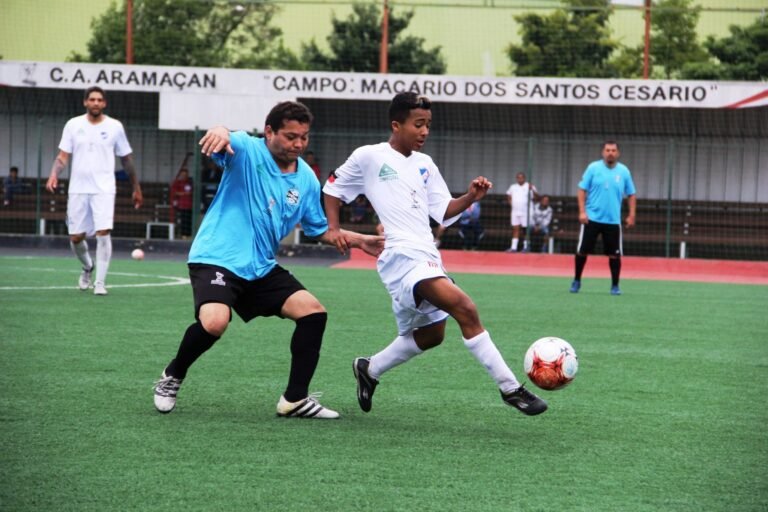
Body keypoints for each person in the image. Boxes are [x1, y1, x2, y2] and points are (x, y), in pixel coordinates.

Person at [152, 101, 384, 419]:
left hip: (259, 266)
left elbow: (319, 229)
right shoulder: (248, 150)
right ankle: (173, 375)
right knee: (216, 322)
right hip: (217, 257)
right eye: (291, 137)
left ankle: (294, 400)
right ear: (269, 132)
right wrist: (219, 130)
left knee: (313, 313)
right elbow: (226, 137)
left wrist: (360, 241)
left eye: (303, 137)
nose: (299, 144)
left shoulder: (306, 178)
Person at [323, 92, 547, 417]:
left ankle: (369, 369)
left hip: (427, 254)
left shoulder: (425, 164)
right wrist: (334, 228)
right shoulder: (369, 156)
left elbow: (442, 211)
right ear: (396, 125)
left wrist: (470, 197)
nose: (425, 131)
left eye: (428, 125)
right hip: (400, 255)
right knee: (465, 308)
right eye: (418, 124)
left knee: (432, 335)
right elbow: (332, 188)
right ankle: (511, 388)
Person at [46, 86, 143, 296]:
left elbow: (126, 159)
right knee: (76, 238)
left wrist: (136, 187)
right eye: (92, 99)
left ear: (104, 103)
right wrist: (54, 174)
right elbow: (62, 156)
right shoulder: (73, 125)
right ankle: (88, 267)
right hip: (78, 190)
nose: (96, 103)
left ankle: (100, 282)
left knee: (103, 232)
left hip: (104, 189)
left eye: (100, 100)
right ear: (85, 102)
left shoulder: (115, 126)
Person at [570, 140, 636, 295]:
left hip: (613, 221)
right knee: (582, 251)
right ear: (603, 152)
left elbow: (631, 194)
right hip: (591, 218)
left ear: (618, 153)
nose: (610, 153)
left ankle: (615, 285)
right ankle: (577, 280)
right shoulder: (593, 168)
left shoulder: (624, 171)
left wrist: (632, 214)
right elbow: (581, 190)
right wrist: (582, 211)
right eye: (607, 150)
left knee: (614, 254)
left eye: (613, 150)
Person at [505, 172, 537, 253]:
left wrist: (532, 189)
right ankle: (513, 247)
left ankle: (526, 247)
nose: (520, 179)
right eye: (518, 177)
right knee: (515, 229)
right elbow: (508, 196)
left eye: (521, 177)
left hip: (525, 211)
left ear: (524, 178)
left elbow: (536, 197)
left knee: (525, 230)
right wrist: (511, 203)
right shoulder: (513, 187)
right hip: (515, 211)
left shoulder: (529, 186)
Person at [170, 154, 194, 237]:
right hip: (181, 205)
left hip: (189, 206)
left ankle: (189, 235)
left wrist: (184, 193)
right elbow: (175, 192)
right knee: (183, 221)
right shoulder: (178, 183)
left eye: (185, 174)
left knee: (189, 220)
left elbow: (192, 192)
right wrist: (183, 193)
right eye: (182, 174)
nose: (184, 176)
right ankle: (183, 235)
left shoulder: (190, 182)